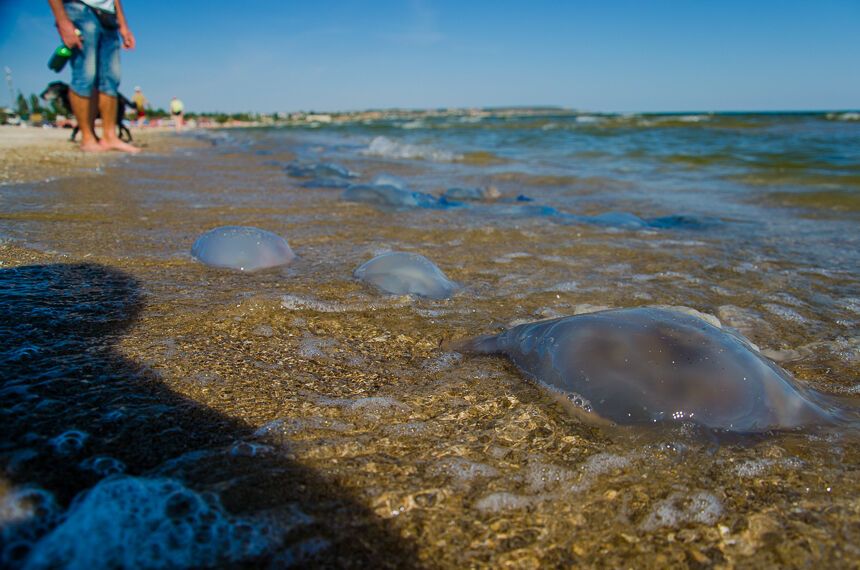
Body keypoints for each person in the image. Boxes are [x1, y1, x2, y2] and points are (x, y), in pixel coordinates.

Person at [47, 0, 140, 153]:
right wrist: (62, 19)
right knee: (85, 74)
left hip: (109, 16)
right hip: (78, 8)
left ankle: (110, 137)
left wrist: (123, 26)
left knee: (111, 78)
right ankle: (87, 137)